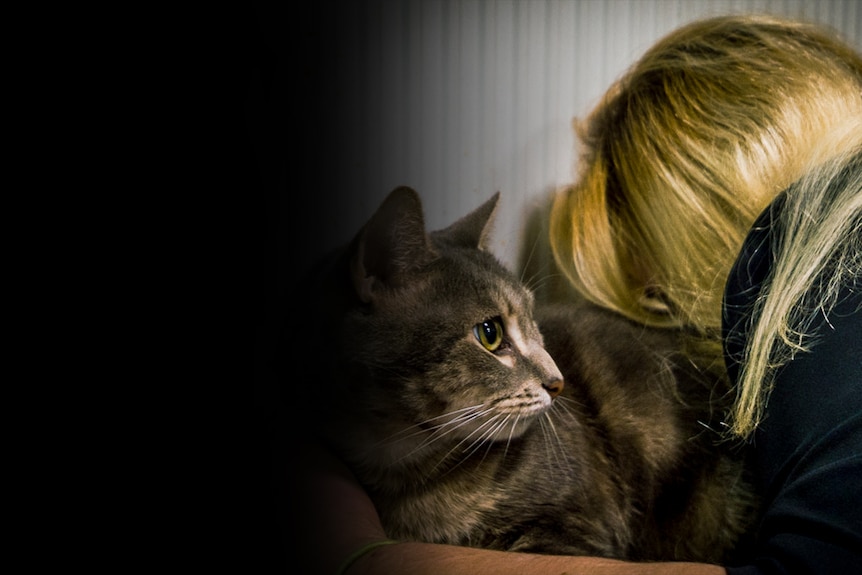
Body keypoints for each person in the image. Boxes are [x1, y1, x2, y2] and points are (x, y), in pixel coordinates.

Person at [284, 14, 862, 575]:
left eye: (661, 289)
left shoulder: (828, 264)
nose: (677, 321)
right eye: (654, 298)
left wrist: (366, 557)